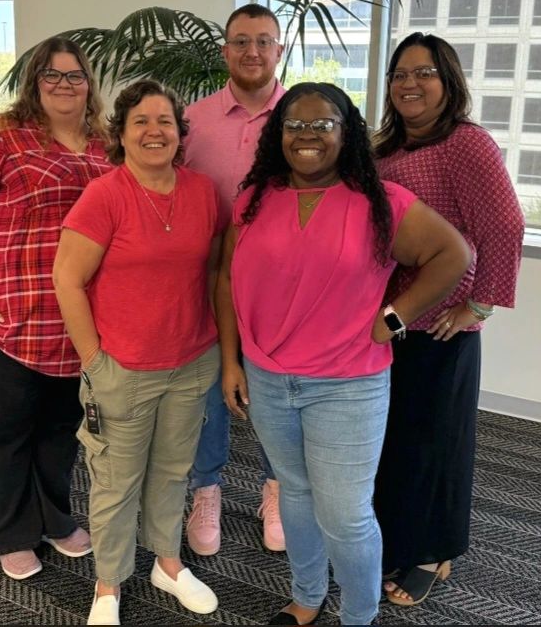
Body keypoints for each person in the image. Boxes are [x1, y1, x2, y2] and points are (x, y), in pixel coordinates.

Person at [217, 82, 473, 626]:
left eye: (322, 124)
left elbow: (454, 254)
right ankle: (307, 597)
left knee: (345, 514)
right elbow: (226, 278)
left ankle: (359, 615)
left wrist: (394, 317)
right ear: (279, 133)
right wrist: (231, 360)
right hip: (268, 378)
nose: (306, 135)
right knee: (295, 493)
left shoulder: (382, 202)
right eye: (294, 125)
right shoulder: (255, 199)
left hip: (346, 384)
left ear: (346, 132)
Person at [0, 36, 111, 580]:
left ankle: (53, 518)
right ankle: (9, 531)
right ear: (34, 81)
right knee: (6, 432)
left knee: (60, 430)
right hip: (9, 318)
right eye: (51, 74)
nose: (63, 84)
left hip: (78, 323)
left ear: (89, 83)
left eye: (74, 75)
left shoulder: (104, 143)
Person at [52, 79, 222, 626]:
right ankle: (108, 583)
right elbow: (67, 280)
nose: (154, 131)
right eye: (141, 122)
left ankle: (167, 563)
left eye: (165, 121)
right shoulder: (105, 196)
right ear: (120, 135)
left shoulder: (202, 192)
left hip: (191, 363)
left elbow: (214, 270)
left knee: (172, 471)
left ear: (180, 132)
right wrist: (94, 362)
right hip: (122, 369)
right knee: (116, 481)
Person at [373, 32, 525, 607]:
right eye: (400, 74)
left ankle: (432, 552)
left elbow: (504, 224)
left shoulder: (465, 143)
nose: (409, 83)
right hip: (393, 319)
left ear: (449, 81)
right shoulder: (387, 147)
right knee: (397, 440)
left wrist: (478, 305)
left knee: (435, 442)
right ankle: (400, 537)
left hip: (440, 325)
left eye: (424, 73)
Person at [183, 2, 287, 556]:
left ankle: (277, 489)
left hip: (278, 286)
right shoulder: (192, 120)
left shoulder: (301, 116)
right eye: (241, 41)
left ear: (279, 50)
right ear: (225, 51)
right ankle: (206, 490)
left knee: (273, 390)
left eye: (263, 41)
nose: (252, 51)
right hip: (203, 280)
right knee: (209, 390)